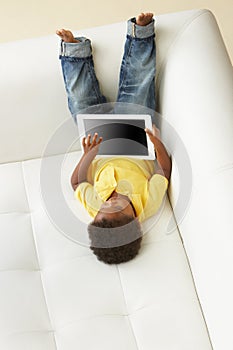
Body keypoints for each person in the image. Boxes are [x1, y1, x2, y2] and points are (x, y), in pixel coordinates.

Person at [56, 12, 171, 264]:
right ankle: (141, 33)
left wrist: (88, 156)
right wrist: (157, 143)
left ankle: (73, 51)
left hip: (99, 141)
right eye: (121, 206)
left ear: (95, 217)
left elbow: (77, 183)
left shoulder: (95, 208)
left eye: (104, 208)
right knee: (139, 85)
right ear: (136, 220)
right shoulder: (149, 204)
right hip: (134, 137)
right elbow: (163, 170)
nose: (112, 201)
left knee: (79, 99)